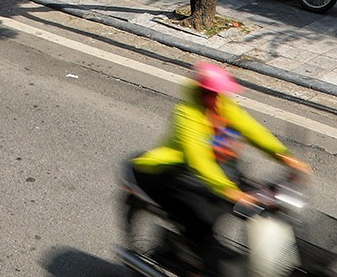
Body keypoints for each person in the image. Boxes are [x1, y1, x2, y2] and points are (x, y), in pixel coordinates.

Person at [131, 62, 310, 277]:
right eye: (213, 94)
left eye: (220, 94)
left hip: (212, 175)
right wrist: (229, 190)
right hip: (174, 176)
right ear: (202, 93)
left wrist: (285, 157)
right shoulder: (187, 115)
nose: (218, 99)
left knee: (263, 206)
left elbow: (253, 130)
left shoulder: (225, 107)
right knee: (203, 229)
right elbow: (199, 160)